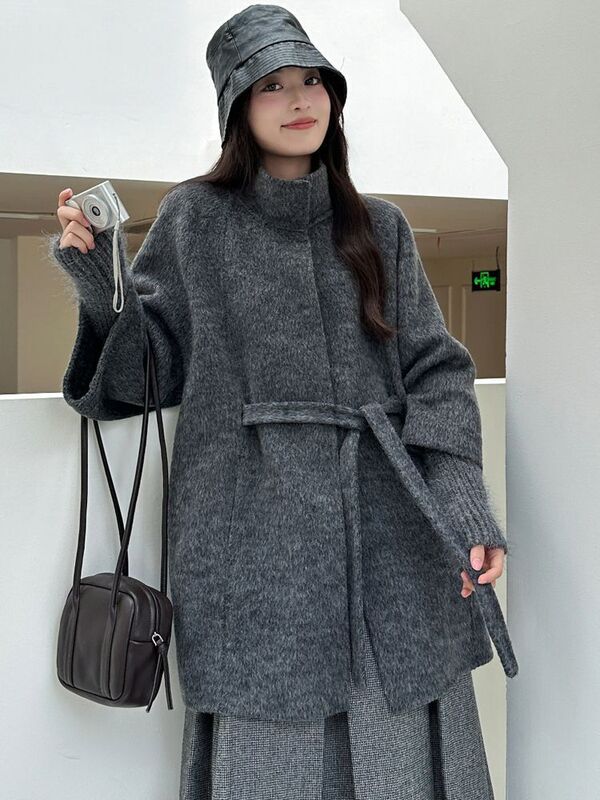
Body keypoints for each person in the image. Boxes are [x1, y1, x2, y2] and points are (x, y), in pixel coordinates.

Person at [46, 5, 518, 798]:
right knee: (271, 754)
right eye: (272, 85)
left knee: (402, 739)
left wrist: (464, 505)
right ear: (237, 104)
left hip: (390, 537)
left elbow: (436, 370)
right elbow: (145, 372)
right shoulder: (194, 220)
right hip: (252, 541)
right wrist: (103, 285)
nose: (299, 99)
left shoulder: (381, 228)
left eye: (311, 81)